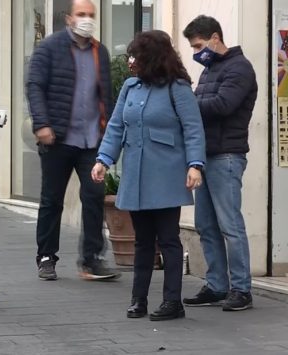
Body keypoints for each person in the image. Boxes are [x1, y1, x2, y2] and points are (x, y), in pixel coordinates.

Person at [92, 30, 206, 321]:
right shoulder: (131, 87)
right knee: (142, 241)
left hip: (166, 176)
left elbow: (193, 129)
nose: (132, 61)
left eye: (137, 55)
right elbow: (116, 126)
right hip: (136, 175)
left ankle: (172, 302)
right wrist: (103, 160)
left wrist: (195, 165)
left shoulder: (177, 88)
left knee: (168, 240)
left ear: (152, 57)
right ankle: (138, 300)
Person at [26, 0, 117, 281]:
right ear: (69, 19)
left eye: (91, 15)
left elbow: (106, 95)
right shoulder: (50, 48)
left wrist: (110, 132)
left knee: (94, 196)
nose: (87, 19)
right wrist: (41, 124)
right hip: (59, 138)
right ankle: (46, 257)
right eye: (81, 14)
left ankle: (91, 259)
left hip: (92, 140)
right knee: (52, 199)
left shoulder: (99, 51)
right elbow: (34, 85)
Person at [181, 15, 258, 312]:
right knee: (206, 225)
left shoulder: (239, 68)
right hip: (207, 155)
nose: (197, 52)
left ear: (215, 38)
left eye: (199, 45)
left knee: (230, 225)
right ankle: (216, 285)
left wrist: (187, 104)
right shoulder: (211, 69)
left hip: (227, 155)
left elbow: (223, 105)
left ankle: (241, 289)